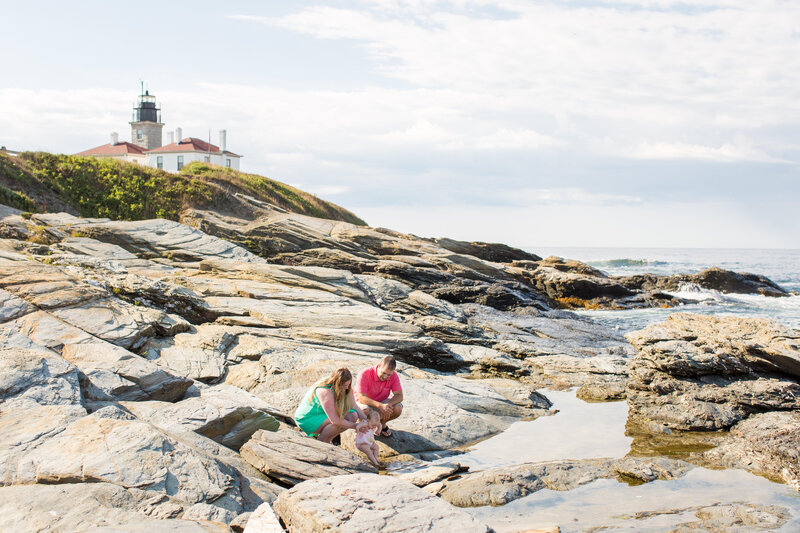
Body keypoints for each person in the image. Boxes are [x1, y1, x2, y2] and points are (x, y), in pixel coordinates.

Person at [294, 367, 367, 444]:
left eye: (348, 384)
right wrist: (355, 426)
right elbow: (335, 420)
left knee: (353, 415)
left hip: (323, 415)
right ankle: (321, 441)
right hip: (307, 418)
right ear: (338, 383)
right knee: (337, 422)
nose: (347, 387)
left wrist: (367, 420)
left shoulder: (346, 388)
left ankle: (328, 439)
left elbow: (354, 407)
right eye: (345, 385)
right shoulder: (324, 391)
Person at [355, 355, 403, 437]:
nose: (385, 377)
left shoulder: (394, 375)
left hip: (381, 402)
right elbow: (361, 398)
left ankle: (382, 423)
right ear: (379, 366)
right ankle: (365, 426)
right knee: (365, 410)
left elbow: (399, 396)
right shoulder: (365, 373)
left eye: (388, 375)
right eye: (383, 373)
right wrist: (380, 406)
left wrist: (388, 405)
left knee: (398, 408)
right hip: (364, 403)